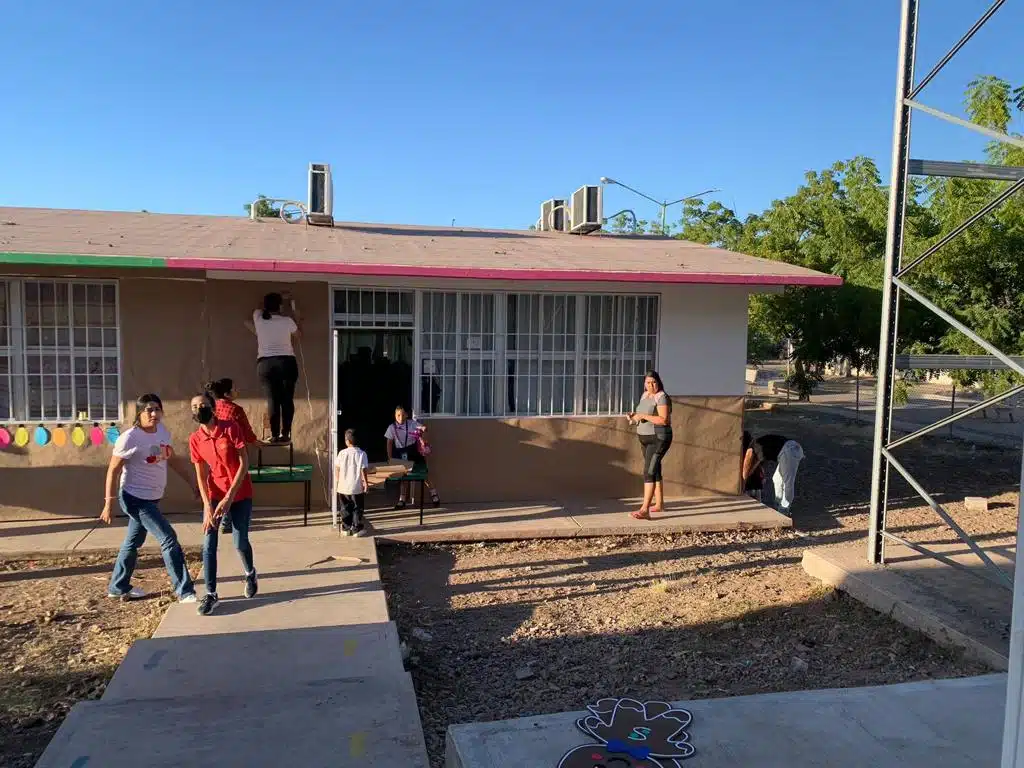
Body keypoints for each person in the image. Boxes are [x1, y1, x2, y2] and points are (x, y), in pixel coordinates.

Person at [100, 393, 197, 602]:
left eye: (157, 409)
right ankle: (185, 591)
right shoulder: (130, 437)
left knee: (133, 541)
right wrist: (108, 503)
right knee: (168, 538)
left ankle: (118, 587)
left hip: (153, 497)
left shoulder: (162, 431)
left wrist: (192, 483)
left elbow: (171, 460)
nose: (154, 414)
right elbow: (113, 470)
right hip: (134, 497)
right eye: (149, 410)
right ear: (139, 413)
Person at [188, 391, 258, 616]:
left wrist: (229, 497)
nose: (200, 409)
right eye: (195, 407)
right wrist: (208, 506)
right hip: (215, 494)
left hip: (239, 493)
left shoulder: (230, 428)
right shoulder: (195, 439)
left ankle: (250, 573)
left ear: (213, 408)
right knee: (209, 542)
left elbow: (243, 462)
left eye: (203, 405)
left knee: (239, 542)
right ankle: (211, 594)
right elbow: (200, 475)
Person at [245, 291, 301, 444]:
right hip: (286, 362)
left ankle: (274, 434)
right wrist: (291, 306)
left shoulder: (259, 319)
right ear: (280, 307)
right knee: (287, 399)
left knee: (273, 400)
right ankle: (286, 433)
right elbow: (298, 335)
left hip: (266, 364)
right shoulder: (287, 321)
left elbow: (257, 308)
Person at [206, 377, 259, 535]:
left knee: (219, 482)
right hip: (233, 451)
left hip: (215, 449)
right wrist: (255, 441)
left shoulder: (213, 408)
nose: (238, 391)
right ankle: (228, 519)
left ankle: (219, 515)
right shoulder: (235, 410)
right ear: (228, 393)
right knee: (236, 483)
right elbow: (246, 430)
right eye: (235, 388)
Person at [626, 370, 673, 520]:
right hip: (644, 438)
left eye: (653, 382)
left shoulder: (662, 397)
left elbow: (663, 420)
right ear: (644, 384)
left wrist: (643, 416)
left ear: (658, 382)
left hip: (658, 438)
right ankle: (659, 504)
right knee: (656, 469)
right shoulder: (645, 396)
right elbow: (642, 416)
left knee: (649, 472)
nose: (651, 385)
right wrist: (634, 417)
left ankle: (645, 509)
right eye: (648, 382)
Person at [385, 405, 440, 509]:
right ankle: (402, 500)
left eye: (402, 415)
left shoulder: (412, 424)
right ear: (395, 416)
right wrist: (389, 457)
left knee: (423, 474)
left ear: (406, 415)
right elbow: (389, 443)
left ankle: (434, 495)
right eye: (398, 415)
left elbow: (423, 428)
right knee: (404, 477)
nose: (400, 418)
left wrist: (423, 431)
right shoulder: (391, 427)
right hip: (400, 453)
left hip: (414, 452)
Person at [741, 431, 805, 515]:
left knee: (787, 483)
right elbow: (754, 466)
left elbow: (748, 467)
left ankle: (784, 509)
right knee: (777, 479)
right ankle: (778, 505)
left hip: (790, 450)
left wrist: (743, 483)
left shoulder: (754, 449)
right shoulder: (757, 447)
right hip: (787, 451)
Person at [334, 428, 374, 537]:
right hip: (356, 487)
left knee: (345, 508)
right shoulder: (362, 454)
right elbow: (363, 470)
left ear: (347, 441)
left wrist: (338, 481)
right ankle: (356, 529)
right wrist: (366, 483)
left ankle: (346, 528)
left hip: (342, 487)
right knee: (357, 507)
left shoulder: (341, 453)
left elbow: (337, 468)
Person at [741, 431, 767, 502]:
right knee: (758, 504)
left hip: (748, 485)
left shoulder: (742, 454)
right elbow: (761, 467)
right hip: (757, 484)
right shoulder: (755, 451)